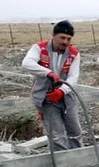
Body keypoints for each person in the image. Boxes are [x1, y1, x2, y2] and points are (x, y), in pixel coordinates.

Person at [21, 20, 83, 151]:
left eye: (68, 39)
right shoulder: (39, 48)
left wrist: (61, 91)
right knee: (56, 135)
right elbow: (27, 63)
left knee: (75, 131)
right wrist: (48, 73)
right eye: (62, 37)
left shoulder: (73, 54)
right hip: (47, 97)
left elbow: (73, 77)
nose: (65, 42)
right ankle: (62, 164)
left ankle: (78, 160)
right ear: (53, 35)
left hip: (67, 97)